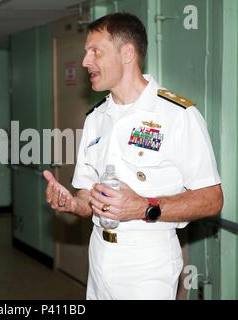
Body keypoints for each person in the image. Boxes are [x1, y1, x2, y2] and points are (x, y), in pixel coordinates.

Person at [43, 13, 223, 300]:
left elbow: (212, 199)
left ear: (127, 53)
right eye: (86, 52)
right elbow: (88, 196)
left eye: (95, 52)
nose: (85, 62)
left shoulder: (177, 115)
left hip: (148, 260)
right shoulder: (96, 118)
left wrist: (142, 207)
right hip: (100, 252)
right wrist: (73, 203)